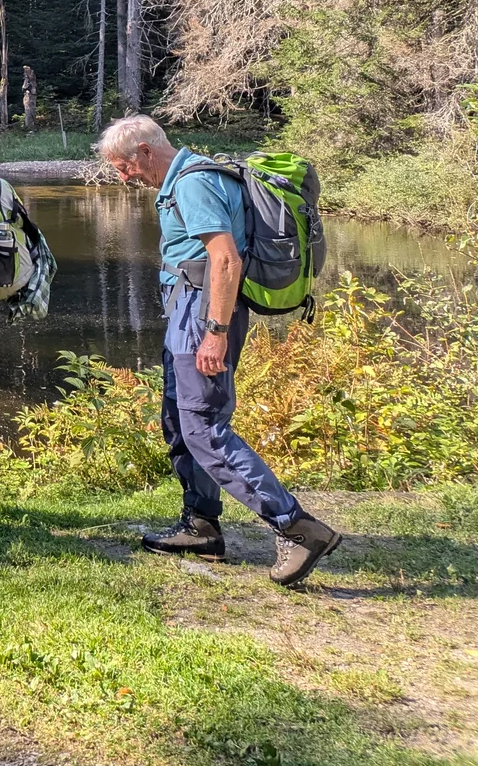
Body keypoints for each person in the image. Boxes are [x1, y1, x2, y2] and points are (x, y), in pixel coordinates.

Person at [96, 114, 341, 587]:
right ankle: (201, 526)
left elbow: (225, 259)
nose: (125, 177)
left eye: (124, 167)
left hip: (202, 313)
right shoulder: (187, 180)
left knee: (204, 428)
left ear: (146, 152)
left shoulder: (194, 184)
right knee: (179, 421)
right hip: (187, 313)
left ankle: (296, 527)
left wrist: (215, 331)